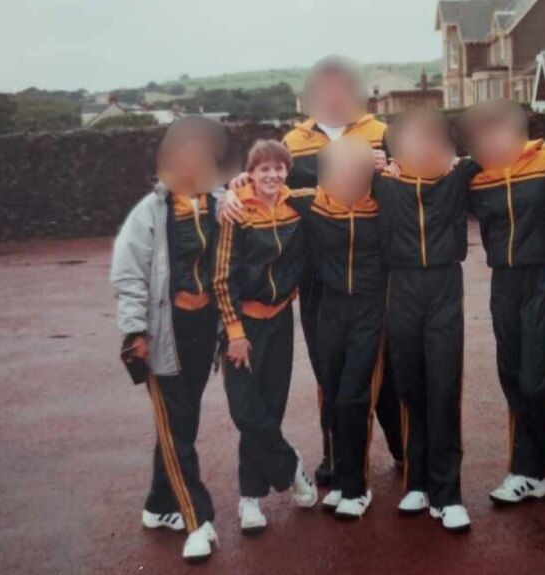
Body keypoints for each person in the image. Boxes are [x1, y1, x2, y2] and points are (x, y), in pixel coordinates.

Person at [222, 55, 403, 487]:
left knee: (385, 369)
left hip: (373, 272)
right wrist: (235, 188)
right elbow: (273, 184)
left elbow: (410, 178)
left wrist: (390, 168)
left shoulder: (382, 133)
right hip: (318, 277)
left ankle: (402, 448)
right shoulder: (293, 139)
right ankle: (337, 455)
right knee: (330, 370)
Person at [111, 116, 226, 562]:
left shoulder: (218, 203)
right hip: (164, 333)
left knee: (182, 423)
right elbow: (128, 275)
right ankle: (197, 519)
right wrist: (134, 330)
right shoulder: (150, 211)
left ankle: (159, 506)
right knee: (177, 430)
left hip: (204, 330)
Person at [458, 99, 545, 505]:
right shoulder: (475, 175)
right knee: (511, 376)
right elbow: (423, 187)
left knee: (535, 378)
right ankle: (527, 471)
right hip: (503, 280)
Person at [374, 108, 481, 532]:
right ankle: (417, 482)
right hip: (400, 289)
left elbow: (508, 151)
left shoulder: (458, 177)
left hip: (443, 288)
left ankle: (448, 493)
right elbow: (315, 180)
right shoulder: (380, 183)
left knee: (443, 386)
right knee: (410, 389)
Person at [213, 139, 318, 534]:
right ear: (250, 173)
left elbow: (345, 182)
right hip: (243, 326)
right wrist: (235, 332)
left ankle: (250, 498)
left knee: (270, 408)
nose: (272, 175)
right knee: (245, 410)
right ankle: (292, 468)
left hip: (280, 322)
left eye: (278, 168)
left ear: (286, 172)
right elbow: (221, 279)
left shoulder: (299, 205)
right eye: (263, 169)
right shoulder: (235, 209)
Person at [298, 136, 387, 519]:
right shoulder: (312, 202)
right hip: (330, 310)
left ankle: (357, 487)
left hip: (371, 311)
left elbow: (434, 175)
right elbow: (261, 187)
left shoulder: (385, 198)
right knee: (333, 396)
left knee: (354, 398)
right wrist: (235, 190)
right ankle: (341, 479)